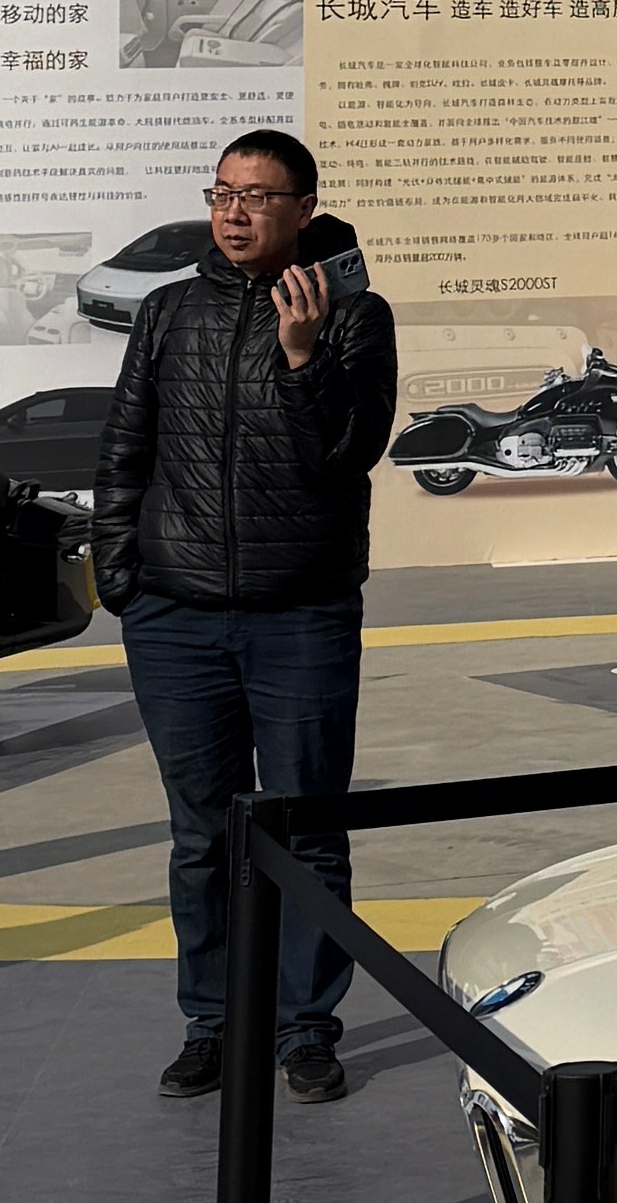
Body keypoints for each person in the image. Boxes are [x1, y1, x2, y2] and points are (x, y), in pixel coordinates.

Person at [90, 132, 397, 1107]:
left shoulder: (355, 316)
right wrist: (124, 581)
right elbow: (124, 451)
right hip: (174, 619)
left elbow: (345, 455)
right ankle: (213, 1023)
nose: (233, 212)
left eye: (258, 196)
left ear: (303, 209)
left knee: (308, 831)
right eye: (222, 193)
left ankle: (306, 1027)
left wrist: (302, 357)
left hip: (300, 616)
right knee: (202, 835)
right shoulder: (168, 312)